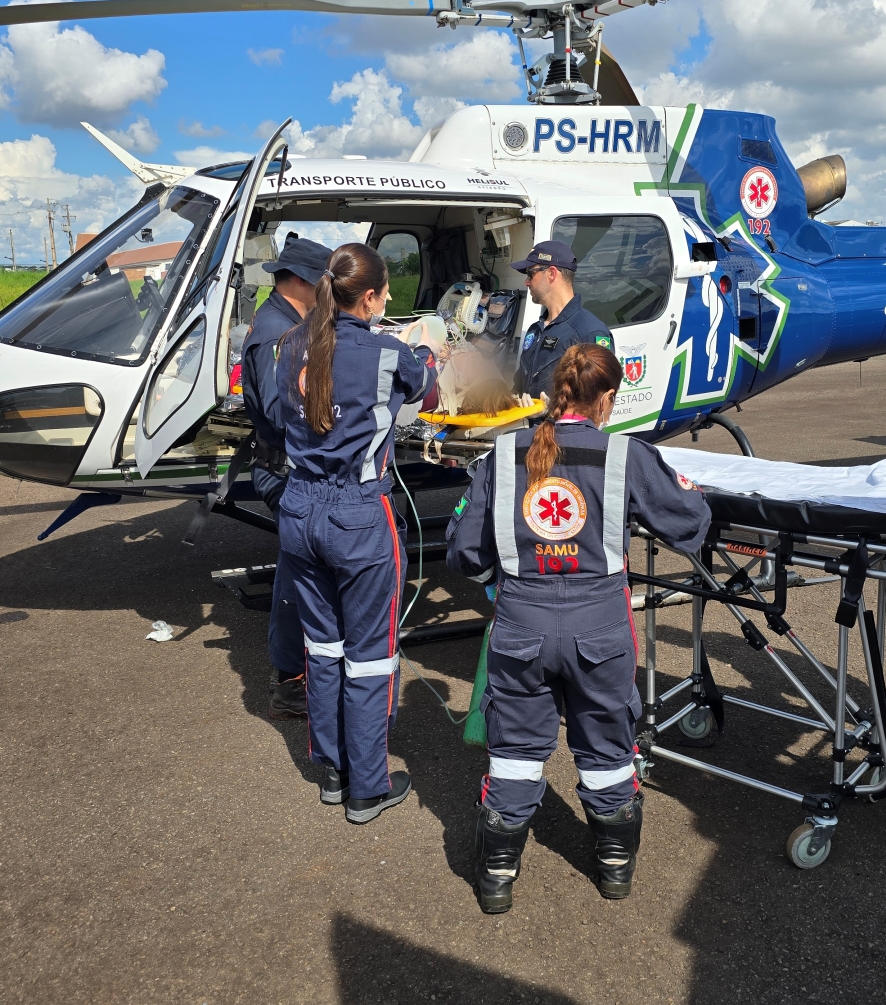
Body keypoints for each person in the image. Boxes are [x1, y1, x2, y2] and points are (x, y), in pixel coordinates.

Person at [446, 343, 712, 913]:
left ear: (552, 394)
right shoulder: (626, 457)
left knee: (515, 751)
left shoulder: (501, 455)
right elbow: (687, 520)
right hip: (601, 629)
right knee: (608, 749)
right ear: (607, 398)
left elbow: (464, 554)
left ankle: (496, 875)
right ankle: (615, 869)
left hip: (521, 624)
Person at [275, 242, 440, 823]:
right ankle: (368, 785)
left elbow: (278, 415)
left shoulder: (291, 344)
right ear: (367, 297)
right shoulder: (389, 353)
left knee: (322, 647)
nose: (389, 298)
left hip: (299, 511)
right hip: (357, 515)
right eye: (385, 290)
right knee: (370, 656)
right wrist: (427, 351)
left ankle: (333, 767)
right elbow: (429, 394)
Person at [242, 234, 333, 721]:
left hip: (290, 468)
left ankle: (301, 671)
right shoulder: (278, 334)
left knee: (303, 568)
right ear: (301, 280)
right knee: (300, 574)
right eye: (324, 280)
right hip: (285, 472)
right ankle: (292, 680)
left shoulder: (291, 321)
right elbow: (281, 415)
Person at [512, 240, 613, 403]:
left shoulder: (590, 332)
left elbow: (599, 400)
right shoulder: (535, 330)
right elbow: (519, 385)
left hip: (564, 429)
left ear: (551, 273)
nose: (526, 282)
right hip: (532, 428)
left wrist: (551, 411)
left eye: (531, 273)